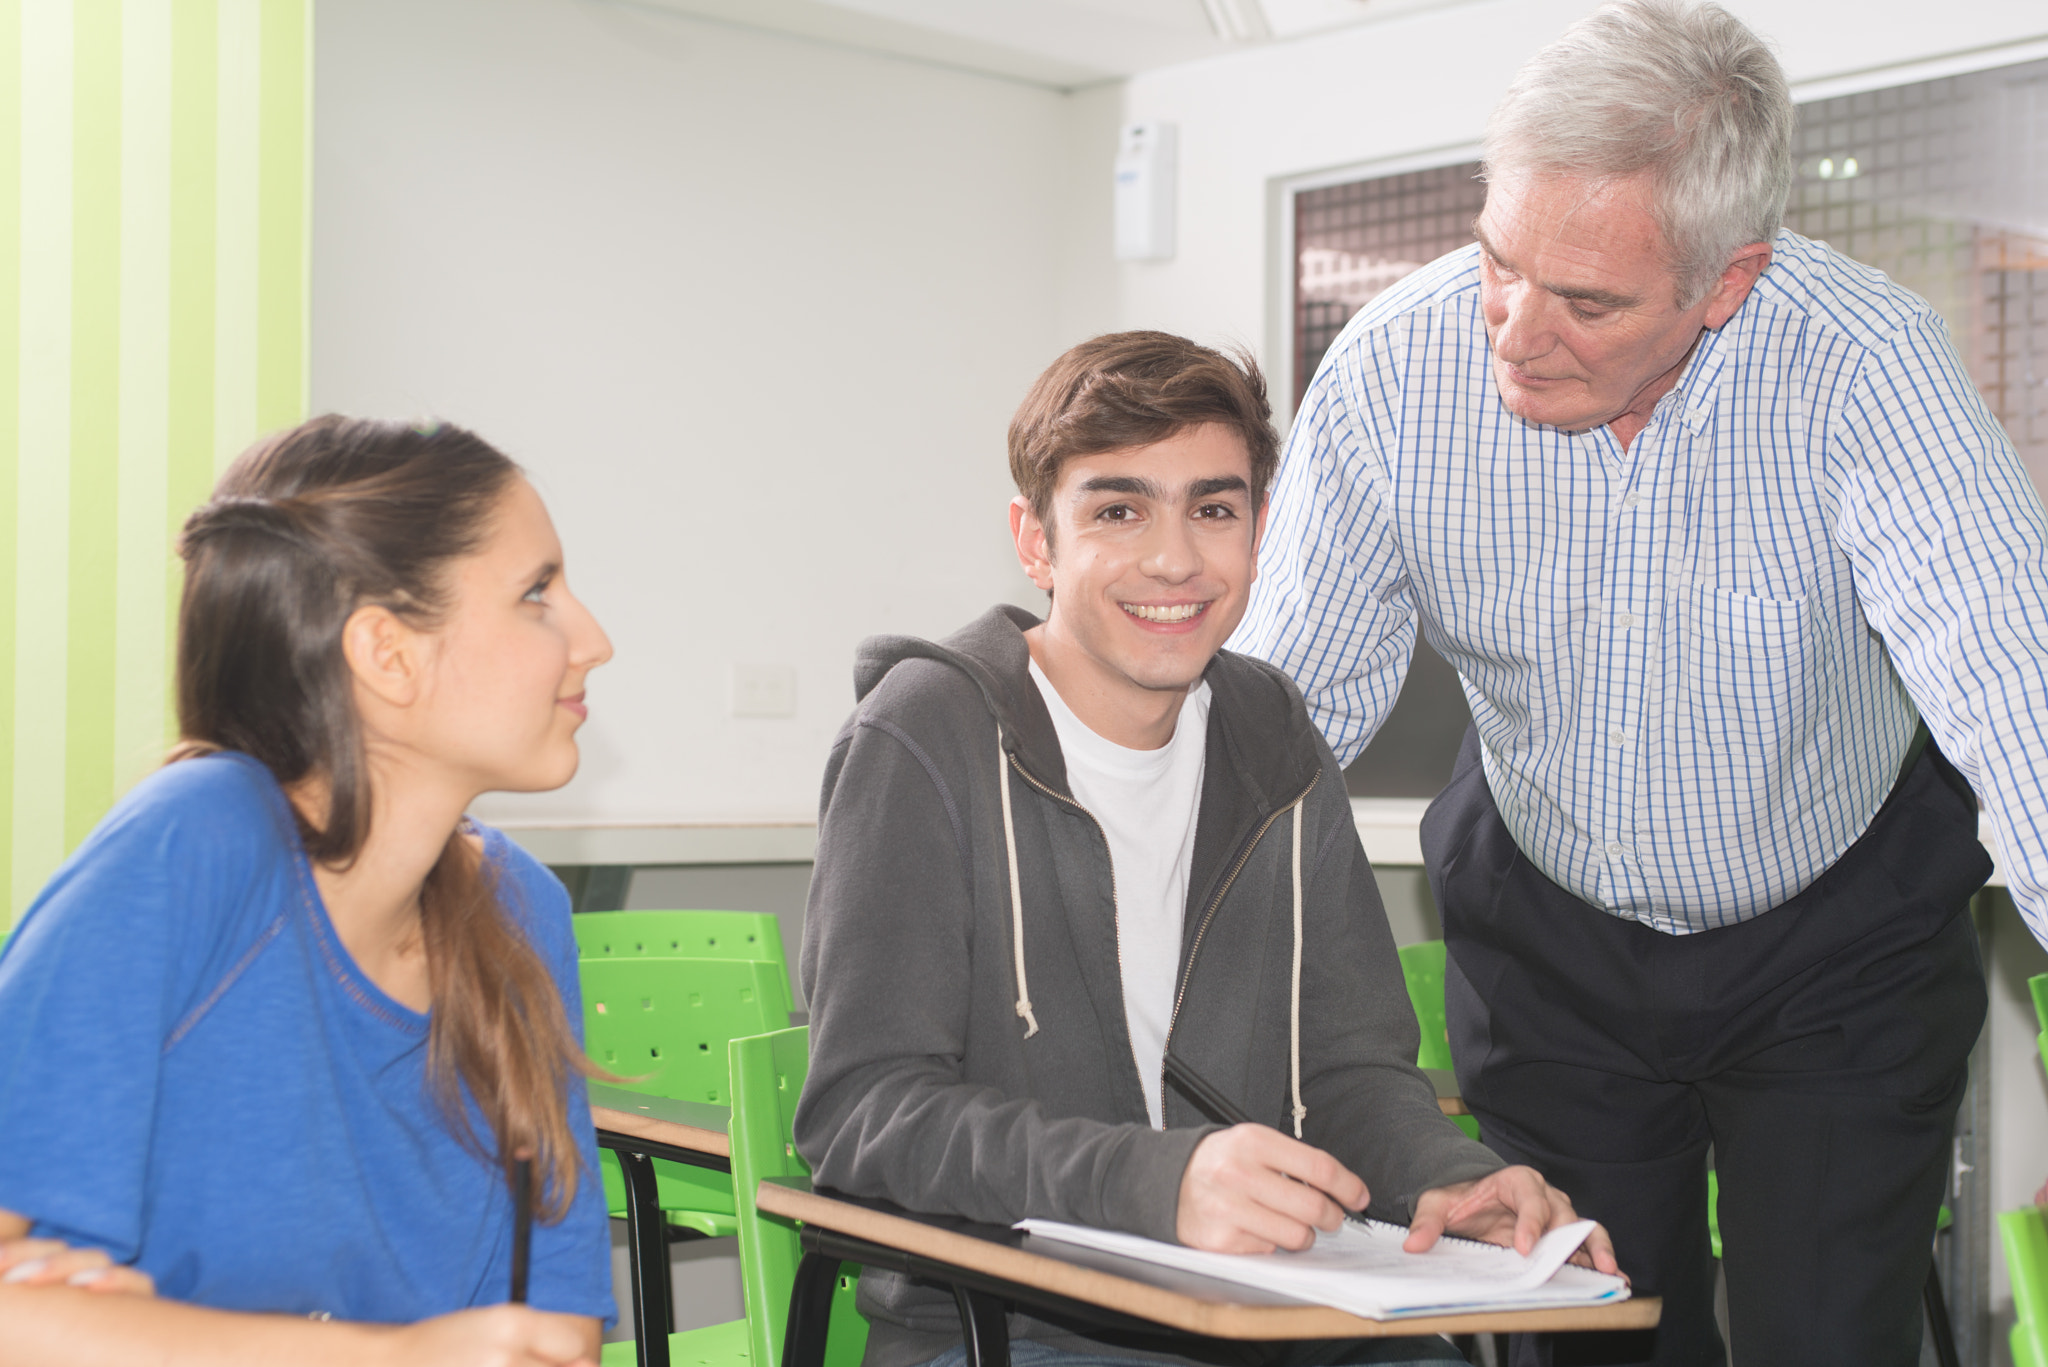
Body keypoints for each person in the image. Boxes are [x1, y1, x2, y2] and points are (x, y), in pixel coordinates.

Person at [1233, 2, 2048, 1363]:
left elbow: (2017, 689)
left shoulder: (1863, 366)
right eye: (1501, 260)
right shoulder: (1391, 370)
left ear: (1726, 282)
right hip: (1552, 945)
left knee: (1826, 1337)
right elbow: (1280, 717)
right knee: (1592, 1337)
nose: (1514, 330)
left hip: (1836, 943)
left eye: (1589, 300)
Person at [795, 331, 1616, 1367]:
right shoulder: (925, 738)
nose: (1174, 557)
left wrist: (1445, 1177)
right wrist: (1159, 1182)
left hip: (1258, 1303)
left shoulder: (1272, 734)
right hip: (1010, 1315)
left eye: (1212, 509)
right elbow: (863, 1112)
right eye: (1117, 509)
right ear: (1035, 540)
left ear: (1256, 533)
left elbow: (1346, 1064)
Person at [0, 416, 617, 1366]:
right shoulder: (198, 838)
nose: (594, 640)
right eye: (537, 592)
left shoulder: (523, 912)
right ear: (387, 653)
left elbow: (553, 1334)